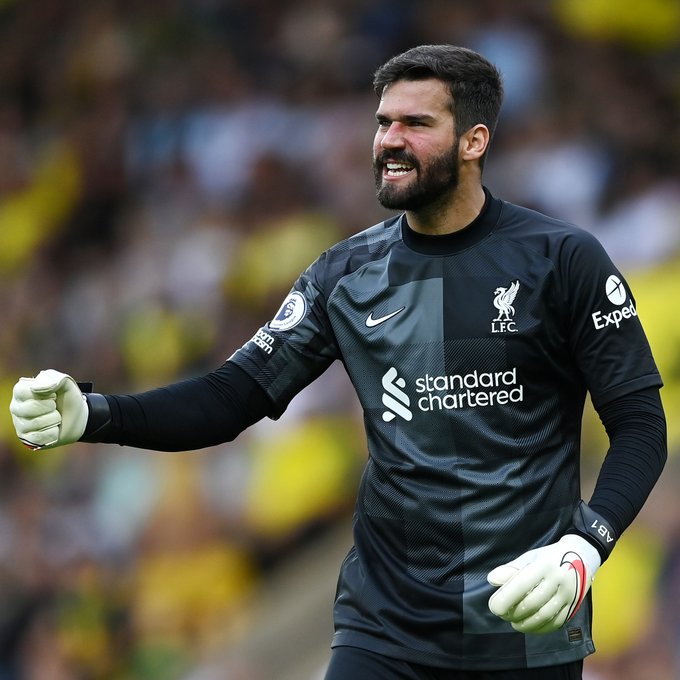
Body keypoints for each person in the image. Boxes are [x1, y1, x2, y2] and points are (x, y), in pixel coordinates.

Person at [10, 44, 667, 680]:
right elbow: (230, 397)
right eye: (383, 122)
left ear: (474, 141)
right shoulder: (345, 275)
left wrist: (585, 546)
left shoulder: (561, 261)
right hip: (385, 629)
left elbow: (641, 425)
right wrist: (97, 414)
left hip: (525, 622)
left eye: (416, 123)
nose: (388, 140)